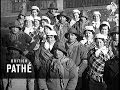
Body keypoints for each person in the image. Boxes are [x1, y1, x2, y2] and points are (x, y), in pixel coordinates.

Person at [103, 26, 119, 90]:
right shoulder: (109, 43)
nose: (116, 35)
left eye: (117, 34)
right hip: (110, 63)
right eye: (114, 34)